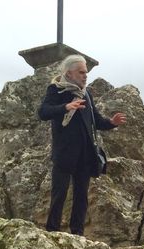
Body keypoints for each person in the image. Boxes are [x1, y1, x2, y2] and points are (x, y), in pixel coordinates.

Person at [38, 54, 126, 236]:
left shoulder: (86, 94)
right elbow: (43, 112)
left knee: (81, 196)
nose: (85, 75)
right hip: (64, 152)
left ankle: (77, 233)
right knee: (59, 193)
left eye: (86, 72)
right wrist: (65, 107)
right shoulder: (57, 90)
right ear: (69, 73)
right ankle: (52, 231)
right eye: (81, 72)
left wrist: (112, 122)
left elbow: (96, 121)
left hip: (85, 153)